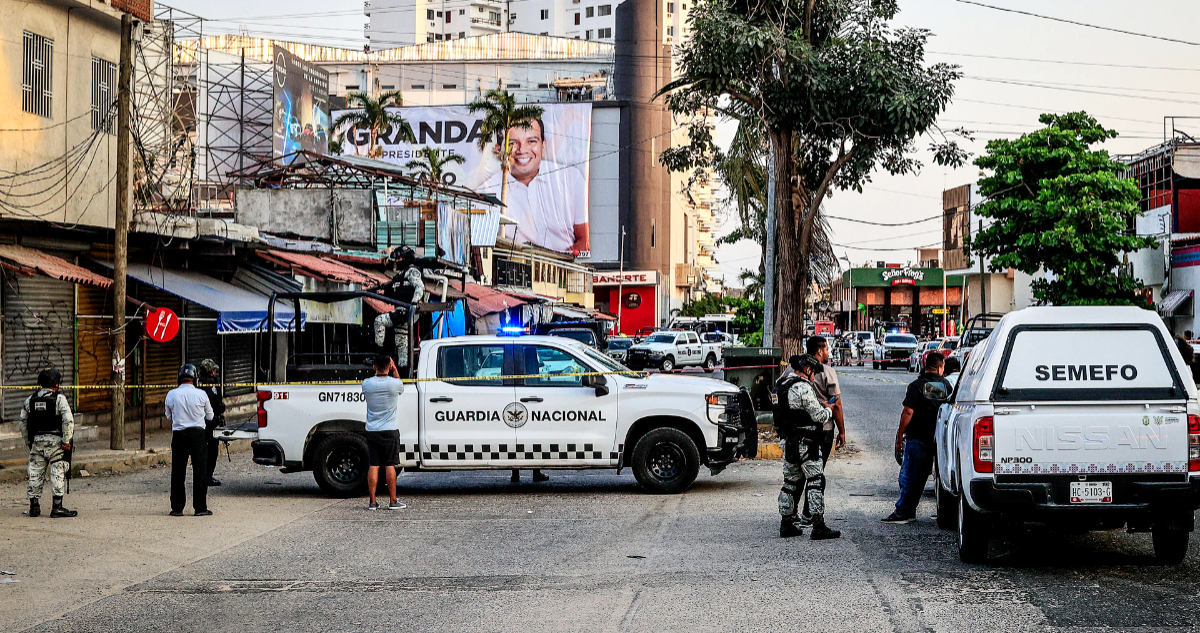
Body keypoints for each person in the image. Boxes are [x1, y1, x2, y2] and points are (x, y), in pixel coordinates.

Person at [486, 119, 589, 254]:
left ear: (543, 145)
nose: (522, 150)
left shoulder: (570, 177)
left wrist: (558, 263)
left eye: (531, 141)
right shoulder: (489, 190)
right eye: (512, 143)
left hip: (563, 269)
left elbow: (584, 242)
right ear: (500, 150)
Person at [774, 354, 840, 540]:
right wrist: (829, 409)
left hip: (789, 443)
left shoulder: (781, 386)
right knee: (816, 481)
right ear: (808, 369)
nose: (813, 376)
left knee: (790, 483)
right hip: (807, 443)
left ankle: (786, 524)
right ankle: (818, 525)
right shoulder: (803, 387)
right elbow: (818, 416)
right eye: (813, 372)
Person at [882, 353, 952, 524]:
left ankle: (904, 511)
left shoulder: (916, 386)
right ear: (940, 367)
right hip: (938, 439)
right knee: (933, 477)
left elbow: (908, 411)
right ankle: (938, 512)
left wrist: (900, 434)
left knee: (910, 476)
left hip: (917, 437)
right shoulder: (946, 386)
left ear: (925, 364)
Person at [799, 337, 846, 526]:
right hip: (823, 429)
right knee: (817, 474)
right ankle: (810, 515)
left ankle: (791, 515)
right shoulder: (827, 372)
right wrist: (842, 431)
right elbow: (837, 404)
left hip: (799, 430)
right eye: (826, 349)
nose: (828, 353)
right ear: (819, 351)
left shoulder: (794, 369)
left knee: (797, 473)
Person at [20, 368, 76, 518]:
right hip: (56, 443)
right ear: (56, 384)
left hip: (37, 442)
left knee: (35, 473)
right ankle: (57, 507)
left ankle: (34, 507)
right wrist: (66, 441)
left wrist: (29, 442)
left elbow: (23, 423)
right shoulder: (59, 399)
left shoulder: (30, 400)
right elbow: (68, 421)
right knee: (57, 471)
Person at [165, 364, 214, 517]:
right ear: (195, 378)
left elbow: (168, 416)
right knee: (200, 472)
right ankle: (200, 508)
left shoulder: (171, 394)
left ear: (179, 378)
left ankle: (177, 508)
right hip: (198, 435)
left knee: (178, 472)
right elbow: (210, 416)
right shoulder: (202, 394)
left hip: (179, 436)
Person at [363, 355, 407, 510]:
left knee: (373, 465)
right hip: (390, 430)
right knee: (390, 465)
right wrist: (394, 369)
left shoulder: (367, 384)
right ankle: (393, 501)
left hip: (372, 430)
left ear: (374, 366)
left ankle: (372, 502)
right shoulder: (394, 384)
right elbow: (400, 385)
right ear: (390, 366)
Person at [197, 359, 226, 487]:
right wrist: (222, 408)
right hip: (209, 422)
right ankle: (207, 477)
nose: (215, 372)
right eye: (213, 369)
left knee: (202, 451)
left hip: (200, 422)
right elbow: (214, 402)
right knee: (212, 450)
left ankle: (204, 476)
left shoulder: (198, 382)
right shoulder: (209, 384)